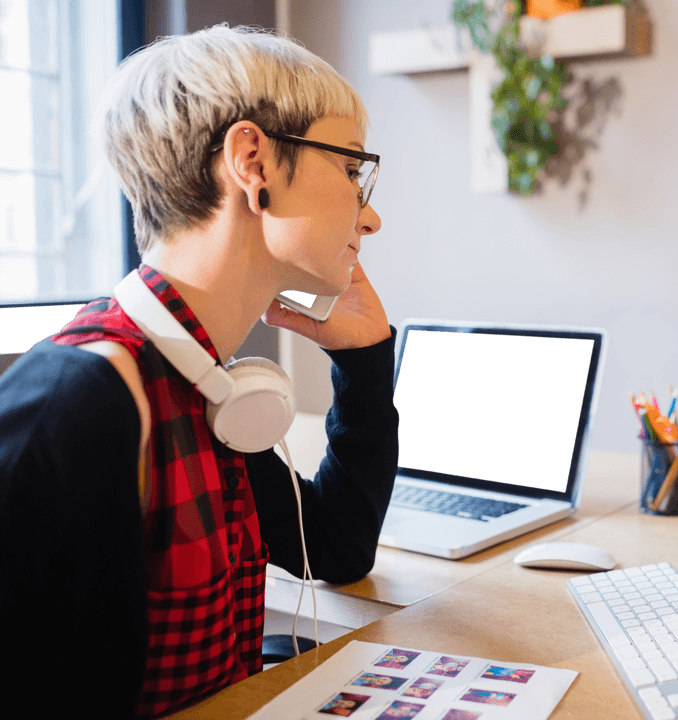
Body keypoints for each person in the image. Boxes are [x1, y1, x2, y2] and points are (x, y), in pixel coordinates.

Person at [0, 25, 399, 718]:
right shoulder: (85, 404)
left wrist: (364, 362)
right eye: (349, 168)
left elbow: (335, 546)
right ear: (253, 162)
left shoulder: (204, 386)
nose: (372, 215)